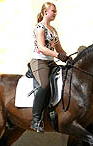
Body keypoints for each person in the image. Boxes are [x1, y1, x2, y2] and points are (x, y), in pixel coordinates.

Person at [30, 2, 69, 133]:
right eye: (53, 11)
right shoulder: (39, 28)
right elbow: (42, 48)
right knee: (44, 85)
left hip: (50, 62)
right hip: (39, 61)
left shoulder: (53, 30)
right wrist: (58, 55)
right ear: (45, 12)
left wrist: (67, 57)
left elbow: (59, 48)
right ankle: (35, 120)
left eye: (55, 11)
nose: (55, 13)